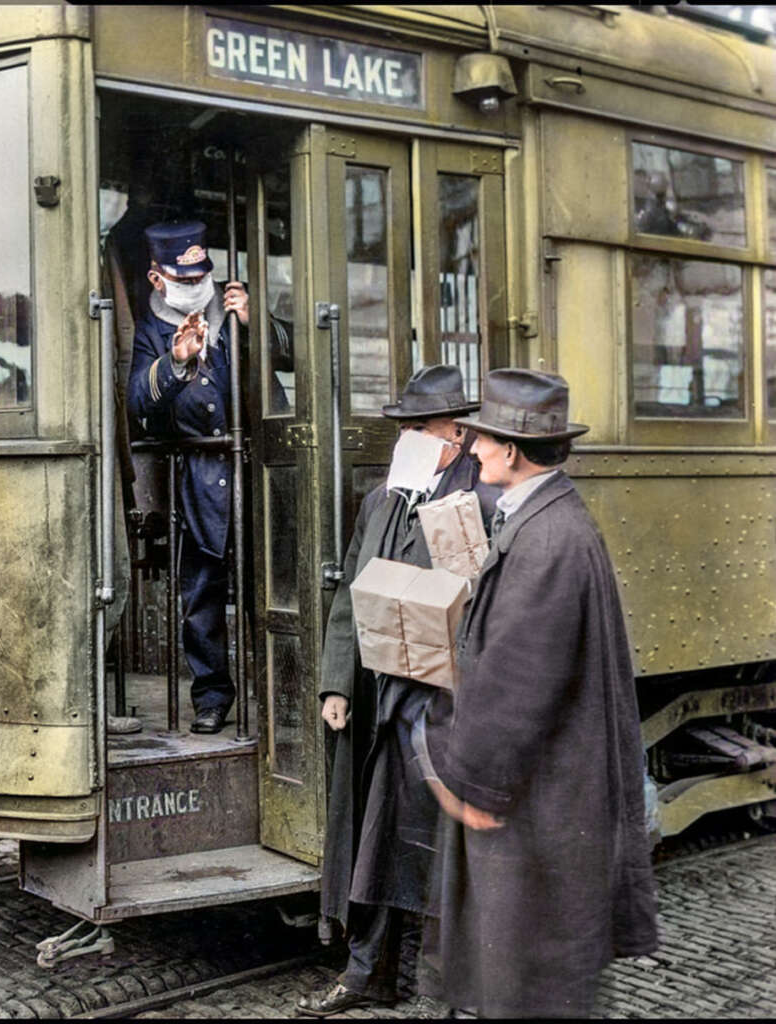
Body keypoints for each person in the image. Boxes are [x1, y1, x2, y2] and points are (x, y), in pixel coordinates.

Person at [421, 367, 658, 1018]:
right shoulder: (550, 521)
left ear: (512, 452)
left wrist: (466, 783)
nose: (471, 450)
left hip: (534, 810)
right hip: (544, 801)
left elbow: (515, 684)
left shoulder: (546, 540)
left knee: (527, 983)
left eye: (482, 440)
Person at [296, 365, 499, 1017]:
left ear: (457, 434)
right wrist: (336, 682)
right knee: (373, 838)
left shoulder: (480, 499)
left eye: (420, 427)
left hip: (443, 702)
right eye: (403, 426)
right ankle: (368, 973)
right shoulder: (384, 497)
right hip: (380, 700)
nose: (406, 437)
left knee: (439, 847)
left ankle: (443, 984)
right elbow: (351, 595)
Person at [126, 221, 256, 734]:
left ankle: (282, 688)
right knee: (201, 594)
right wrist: (176, 361)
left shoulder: (231, 311)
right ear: (158, 280)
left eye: (203, 274)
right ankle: (212, 696)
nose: (197, 284)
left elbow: (288, 358)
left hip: (252, 472)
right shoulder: (152, 332)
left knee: (266, 587)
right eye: (184, 278)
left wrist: (251, 323)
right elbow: (138, 401)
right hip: (198, 478)